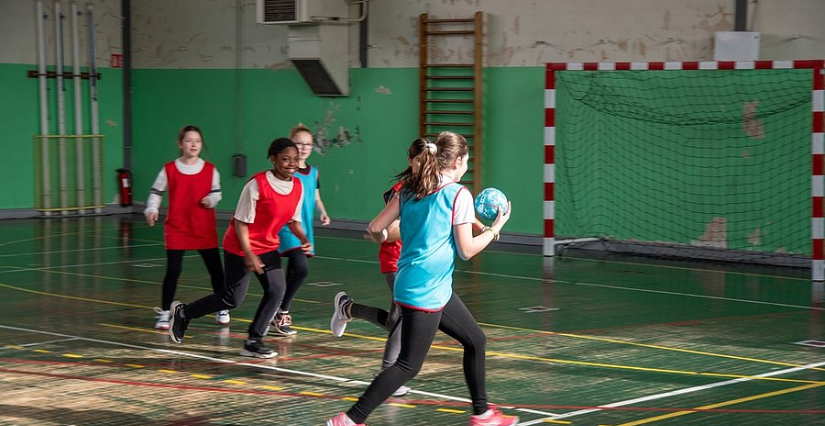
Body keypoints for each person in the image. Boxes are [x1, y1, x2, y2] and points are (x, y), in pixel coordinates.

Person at [326, 131, 517, 426]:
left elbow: (376, 226)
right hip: (425, 290)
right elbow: (466, 251)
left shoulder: (410, 189)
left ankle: (482, 414)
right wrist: (494, 229)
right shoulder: (458, 194)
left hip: (420, 283)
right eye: (466, 160)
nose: (466, 165)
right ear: (457, 161)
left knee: (475, 340)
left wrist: (384, 238)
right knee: (407, 364)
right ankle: (350, 419)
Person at [168, 138, 312, 359]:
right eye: (285, 159)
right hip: (240, 245)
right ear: (273, 159)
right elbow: (240, 222)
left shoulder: (298, 186)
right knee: (231, 299)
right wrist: (249, 253)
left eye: (295, 159)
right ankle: (184, 312)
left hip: (267, 245)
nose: (292, 163)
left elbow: (293, 220)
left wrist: (303, 237)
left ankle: (254, 340)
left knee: (276, 290)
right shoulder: (257, 184)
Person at [330, 138, 429, 399]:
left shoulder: (434, 188)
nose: (425, 163)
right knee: (405, 321)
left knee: (395, 321)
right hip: (396, 261)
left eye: (429, 158)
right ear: (411, 161)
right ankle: (388, 374)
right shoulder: (401, 190)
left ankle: (348, 308)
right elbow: (391, 230)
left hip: (415, 263)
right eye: (420, 159)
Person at [145, 125, 227, 330]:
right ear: (180, 144)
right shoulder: (169, 169)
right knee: (173, 271)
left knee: (216, 270)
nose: (193, 144)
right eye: (189, 140)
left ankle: (222, 307)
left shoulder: (210, 169)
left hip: (203, 228)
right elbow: (156, 192)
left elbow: (217, 193)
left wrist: (211, 199)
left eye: (197, 141)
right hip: (177, 228)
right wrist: (151, 208)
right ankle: (165, 313)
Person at [270, 124, 331, 336]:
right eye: (299, 143)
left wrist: (322, 211)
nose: (303, 148)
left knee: (293, 271)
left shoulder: (314, 172)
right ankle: (282, 311)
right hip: (286, 226)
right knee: (301, 268)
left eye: (308, 144)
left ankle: (273, 311)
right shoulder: (286, 169)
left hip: (303, 226)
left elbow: (315, 197)